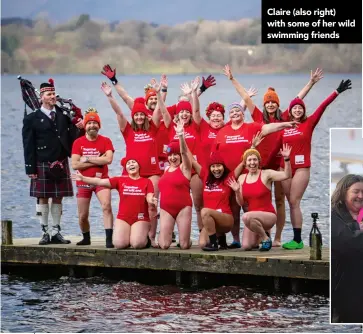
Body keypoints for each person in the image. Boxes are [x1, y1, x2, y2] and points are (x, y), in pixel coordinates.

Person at [236, 68, 324, 246]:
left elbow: (298, 99)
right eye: (268, 102)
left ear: (277, 104)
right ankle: (264, 234)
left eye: (273, 102)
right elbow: (246, 99)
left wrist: (311, 83)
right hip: (263, 165)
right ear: (264, 105)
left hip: (281, 164)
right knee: (263, 200)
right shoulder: (258, 117)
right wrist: (232, 79)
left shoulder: (285, 116)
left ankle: (277, 238)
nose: (270, 105)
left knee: (280, 201)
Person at [214, 64, 298, 249]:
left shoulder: (252, 126)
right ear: (230, 115)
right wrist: (232, 79)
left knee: (255, 205)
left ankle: (268, 236)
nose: (235, 113)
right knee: (236, 208)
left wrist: (285, 125)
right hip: (233, 174)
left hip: (255, 170)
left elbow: (268, 128)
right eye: (232, 112)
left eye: (238, 111)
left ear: (243, 114)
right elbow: (216, 154)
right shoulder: (224, 130)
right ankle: (237, 238)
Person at [281, 79, 352, 250]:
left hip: (302, 167)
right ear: (290, 111)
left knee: (294, 200)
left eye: (300, 108)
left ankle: (298, 240)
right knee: (289, 202)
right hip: (285, 165)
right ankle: (294, 238)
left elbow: (322, 106)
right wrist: (309, 84)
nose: (297, 110)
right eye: (294, 108)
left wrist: (336, 91)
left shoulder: (309, 123)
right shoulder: (284, 121)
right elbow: (296, 98)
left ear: (303, 111)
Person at [101, 81, 164, 247]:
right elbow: (120, 113)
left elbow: (158, 110)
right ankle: (130, 232)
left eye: (142, 114)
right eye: (136, 114)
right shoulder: (128, 131)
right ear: (133, 116)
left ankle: (151, 237)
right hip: (130, 174)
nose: (139, 117)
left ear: (145, 115)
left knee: (152, 206)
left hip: (152, 173)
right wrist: (110, 97)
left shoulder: (153, 128)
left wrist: (159, 92)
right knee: (129, 205)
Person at [22, 79, 82, 245]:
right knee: (42, 198)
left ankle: (55, 231)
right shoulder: (32, 119)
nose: (53, 97)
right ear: (41, 97)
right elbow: (28, 145)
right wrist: (30, 168)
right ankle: (45, 232)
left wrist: (80, 127)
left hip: (61, 161)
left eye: (54, 94)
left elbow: (72, 139)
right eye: (49, 94)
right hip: (42, 162)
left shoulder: (63, 116)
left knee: (58, 197)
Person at [72, 156, 157, 249]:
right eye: (128, 163)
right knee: (119, 245)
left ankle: (145, 239)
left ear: (139, 166)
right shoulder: (120, 180)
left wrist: (151, 200)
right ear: (126, 168)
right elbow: (99, 181)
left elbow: (149, 196)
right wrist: (83, 178)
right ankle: (129, 237)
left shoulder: (146, 181)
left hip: (140, 218)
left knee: (137, 244)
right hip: (123, 218)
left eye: (133, 162)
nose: (131, 164)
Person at [228, 144, 292, 251]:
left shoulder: (266, 174)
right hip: (252, 219)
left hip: (268, 216)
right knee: (247, 246)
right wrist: (237, 191)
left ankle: (265, 238)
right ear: (245, 163)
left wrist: (287, 159)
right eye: (249, 160)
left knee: (245, 216)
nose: (252, 163)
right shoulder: (242, 178)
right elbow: (240, 203)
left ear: (259, 161)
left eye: (255, 160)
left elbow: (286, 175)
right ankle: (260, 235)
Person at [71, 108, 115, 248]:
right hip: (83, 181)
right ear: (84, 125)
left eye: (95, 123)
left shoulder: (106, 141)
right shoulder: (78, 142)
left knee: (107, 206)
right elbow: (75, 164)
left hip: (101, 180)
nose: (92, 126)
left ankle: (109, 239)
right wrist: (97, 159)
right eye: (89, 123)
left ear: (99, 125)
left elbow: (108, 160)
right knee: (82, 216)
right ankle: (86, 237)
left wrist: (87, 159)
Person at [331, 174, 363, 323]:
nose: (360, 196)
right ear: (344, 193)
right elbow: (347, 243)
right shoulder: (334, 215)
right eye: (356, 191)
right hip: (343, 288)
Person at [158, 119, 193, 250]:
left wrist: (180, 136)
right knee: (164, 245)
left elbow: (184, 153)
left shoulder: (185, 168)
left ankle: (187, 239)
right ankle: (163, 234)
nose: (173, 158)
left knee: (184, 246)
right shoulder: (166, 169)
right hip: (166, 208)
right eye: (170, 155)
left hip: (183, 207)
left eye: (176, 155)